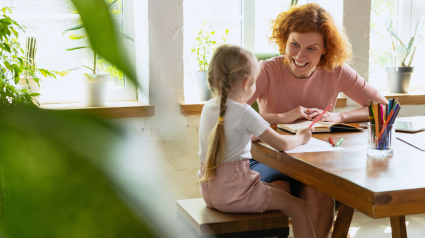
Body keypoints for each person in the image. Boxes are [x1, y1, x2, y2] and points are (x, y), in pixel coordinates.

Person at [247, 3, 389, 238]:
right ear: (285, 39)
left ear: (326, 50)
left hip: (315, 161)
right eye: (294, 44)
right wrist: (283, 117)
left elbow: (383, 107)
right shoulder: (267, 71)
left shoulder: (336, 71)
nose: (299, 56)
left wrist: (339, 116)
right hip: (270, 158)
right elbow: (228, 114)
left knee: (320, 195)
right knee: (277, 189)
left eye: (311, 48)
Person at [198, 44, 317, 238]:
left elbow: (237, 134)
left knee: (275, 190)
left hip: (211, 193)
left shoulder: (209, 107)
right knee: (298, 206)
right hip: (236, 194)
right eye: (254, 83)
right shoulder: (244, 111)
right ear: (246, 83)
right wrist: (301, 137)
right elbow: (283, 145)